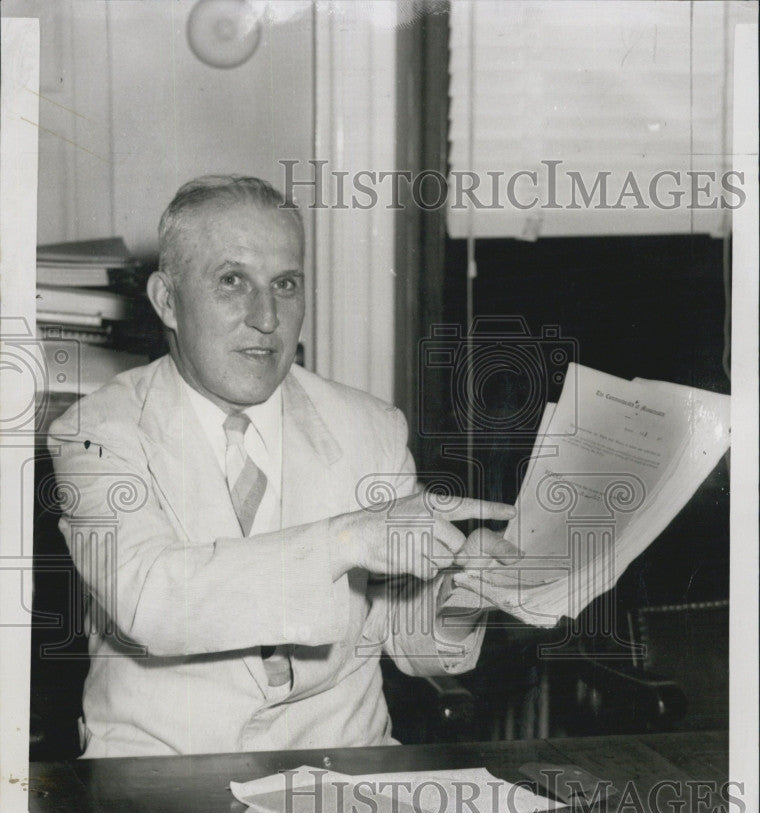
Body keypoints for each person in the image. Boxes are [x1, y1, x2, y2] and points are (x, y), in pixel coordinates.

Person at [48, 175, 516, 758]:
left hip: (345, 778)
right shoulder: (95, 434)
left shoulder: (370, 429)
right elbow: (151, 600)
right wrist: (347, 539)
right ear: (167, 300)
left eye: (285, 285)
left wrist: (464, 593)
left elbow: (404, 636)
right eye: (232, 281)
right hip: (161, 782)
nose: (267, 318)